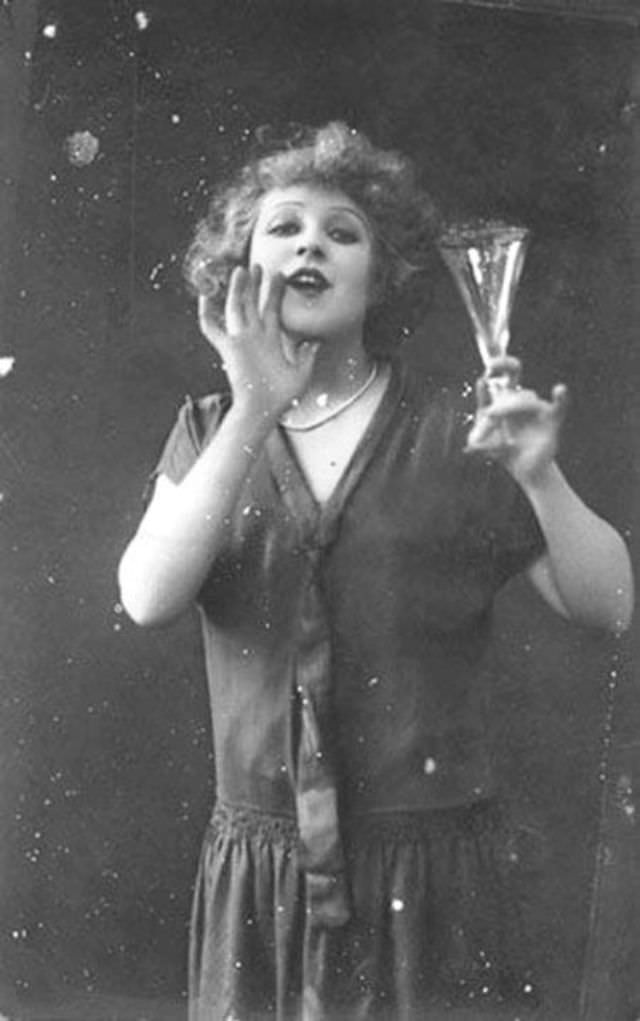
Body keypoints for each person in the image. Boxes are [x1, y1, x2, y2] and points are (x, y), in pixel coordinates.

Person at [118, 122, 634, 1021]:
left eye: (341, 231)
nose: (310, 242)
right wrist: (253, 409)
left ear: (381, 273)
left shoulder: (465, 428)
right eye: (284, 227)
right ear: (241, 271)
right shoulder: (209, 431)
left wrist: (540, 475)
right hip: (263, 878)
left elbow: (611, 606)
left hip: (432, 878)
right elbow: (147, 596)